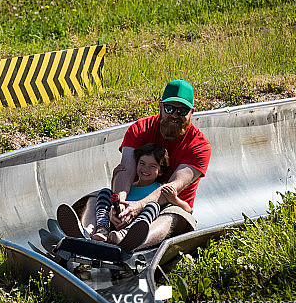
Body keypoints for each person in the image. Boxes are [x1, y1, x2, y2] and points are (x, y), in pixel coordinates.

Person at [57, 79, 211, 252]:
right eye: (170, 109)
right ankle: (89, 233)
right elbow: (126, 170)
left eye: (182, 110)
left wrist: (138, 207)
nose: (175, 115)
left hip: (168, 207)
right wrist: (120, 202)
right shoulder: (140, 128)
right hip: (131, 199)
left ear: (192, 112)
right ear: (160, 106)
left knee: (171, 217)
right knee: (97, 198)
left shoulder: (199, 145)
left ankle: (134, 240)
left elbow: (173, 186)